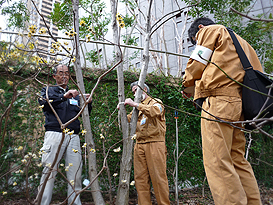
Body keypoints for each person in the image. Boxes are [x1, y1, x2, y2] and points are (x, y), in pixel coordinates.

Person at [182, 17, 262, 205]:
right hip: (239, 106)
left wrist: (187, 83)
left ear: (200, 28)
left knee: (218, 162)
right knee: (237, 160)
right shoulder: (243, 43)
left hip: (218, 103)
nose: (197, 41)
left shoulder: (210, 30)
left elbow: (197, 63)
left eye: (195, 40)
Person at [38, 64, 92, 205]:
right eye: (61, 73)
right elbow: (43, 104)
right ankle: (42, 203)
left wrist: (88, 103)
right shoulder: (48, 90)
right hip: (54, 134)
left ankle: (75, 202)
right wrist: (63, 97)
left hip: (73, 136)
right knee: (49, 171)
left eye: (67, 73)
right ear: (55, 76)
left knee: (75, 173)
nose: (64, 76)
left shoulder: (75, 93)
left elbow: (85, 114)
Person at [123, 81, 170, 205]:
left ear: (144, 89)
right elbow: (126, 119)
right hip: (139, 145)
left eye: (137, 90)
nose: (135, 93)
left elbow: (155, 111)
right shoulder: (136, 108)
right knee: (140, 179)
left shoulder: (156, 102)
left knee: (158, 178)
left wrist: (136, 104)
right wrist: (121, 109)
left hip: (155, 143)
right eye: (133, 92)